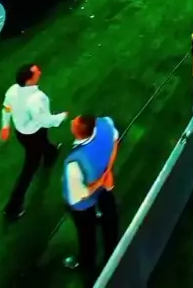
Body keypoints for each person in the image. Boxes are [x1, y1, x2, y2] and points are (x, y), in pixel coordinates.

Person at [0, 63, 67, 220]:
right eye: (37, 72)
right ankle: (13, 207)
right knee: (29, 168)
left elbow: (7, 108)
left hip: (22, 133)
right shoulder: (37, 99)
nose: (40, 73)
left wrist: (5, 126)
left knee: (43, 144)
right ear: (29, 80)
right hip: (34, 133)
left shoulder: (12, 91)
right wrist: (61, 117)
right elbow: (45, 120)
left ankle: (51, 155)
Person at [63, 114, 119, 281]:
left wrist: (99, 182)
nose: (72, 121)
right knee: (110, 216)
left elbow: (78, 196)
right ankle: (112, 252)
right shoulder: (105, 124)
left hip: (85, 201)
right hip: (104, 186)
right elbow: (115, 142)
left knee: (86, 232)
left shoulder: (74, 162)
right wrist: (107, 172)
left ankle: (88, 262)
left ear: (78, 133)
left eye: (75, 123)